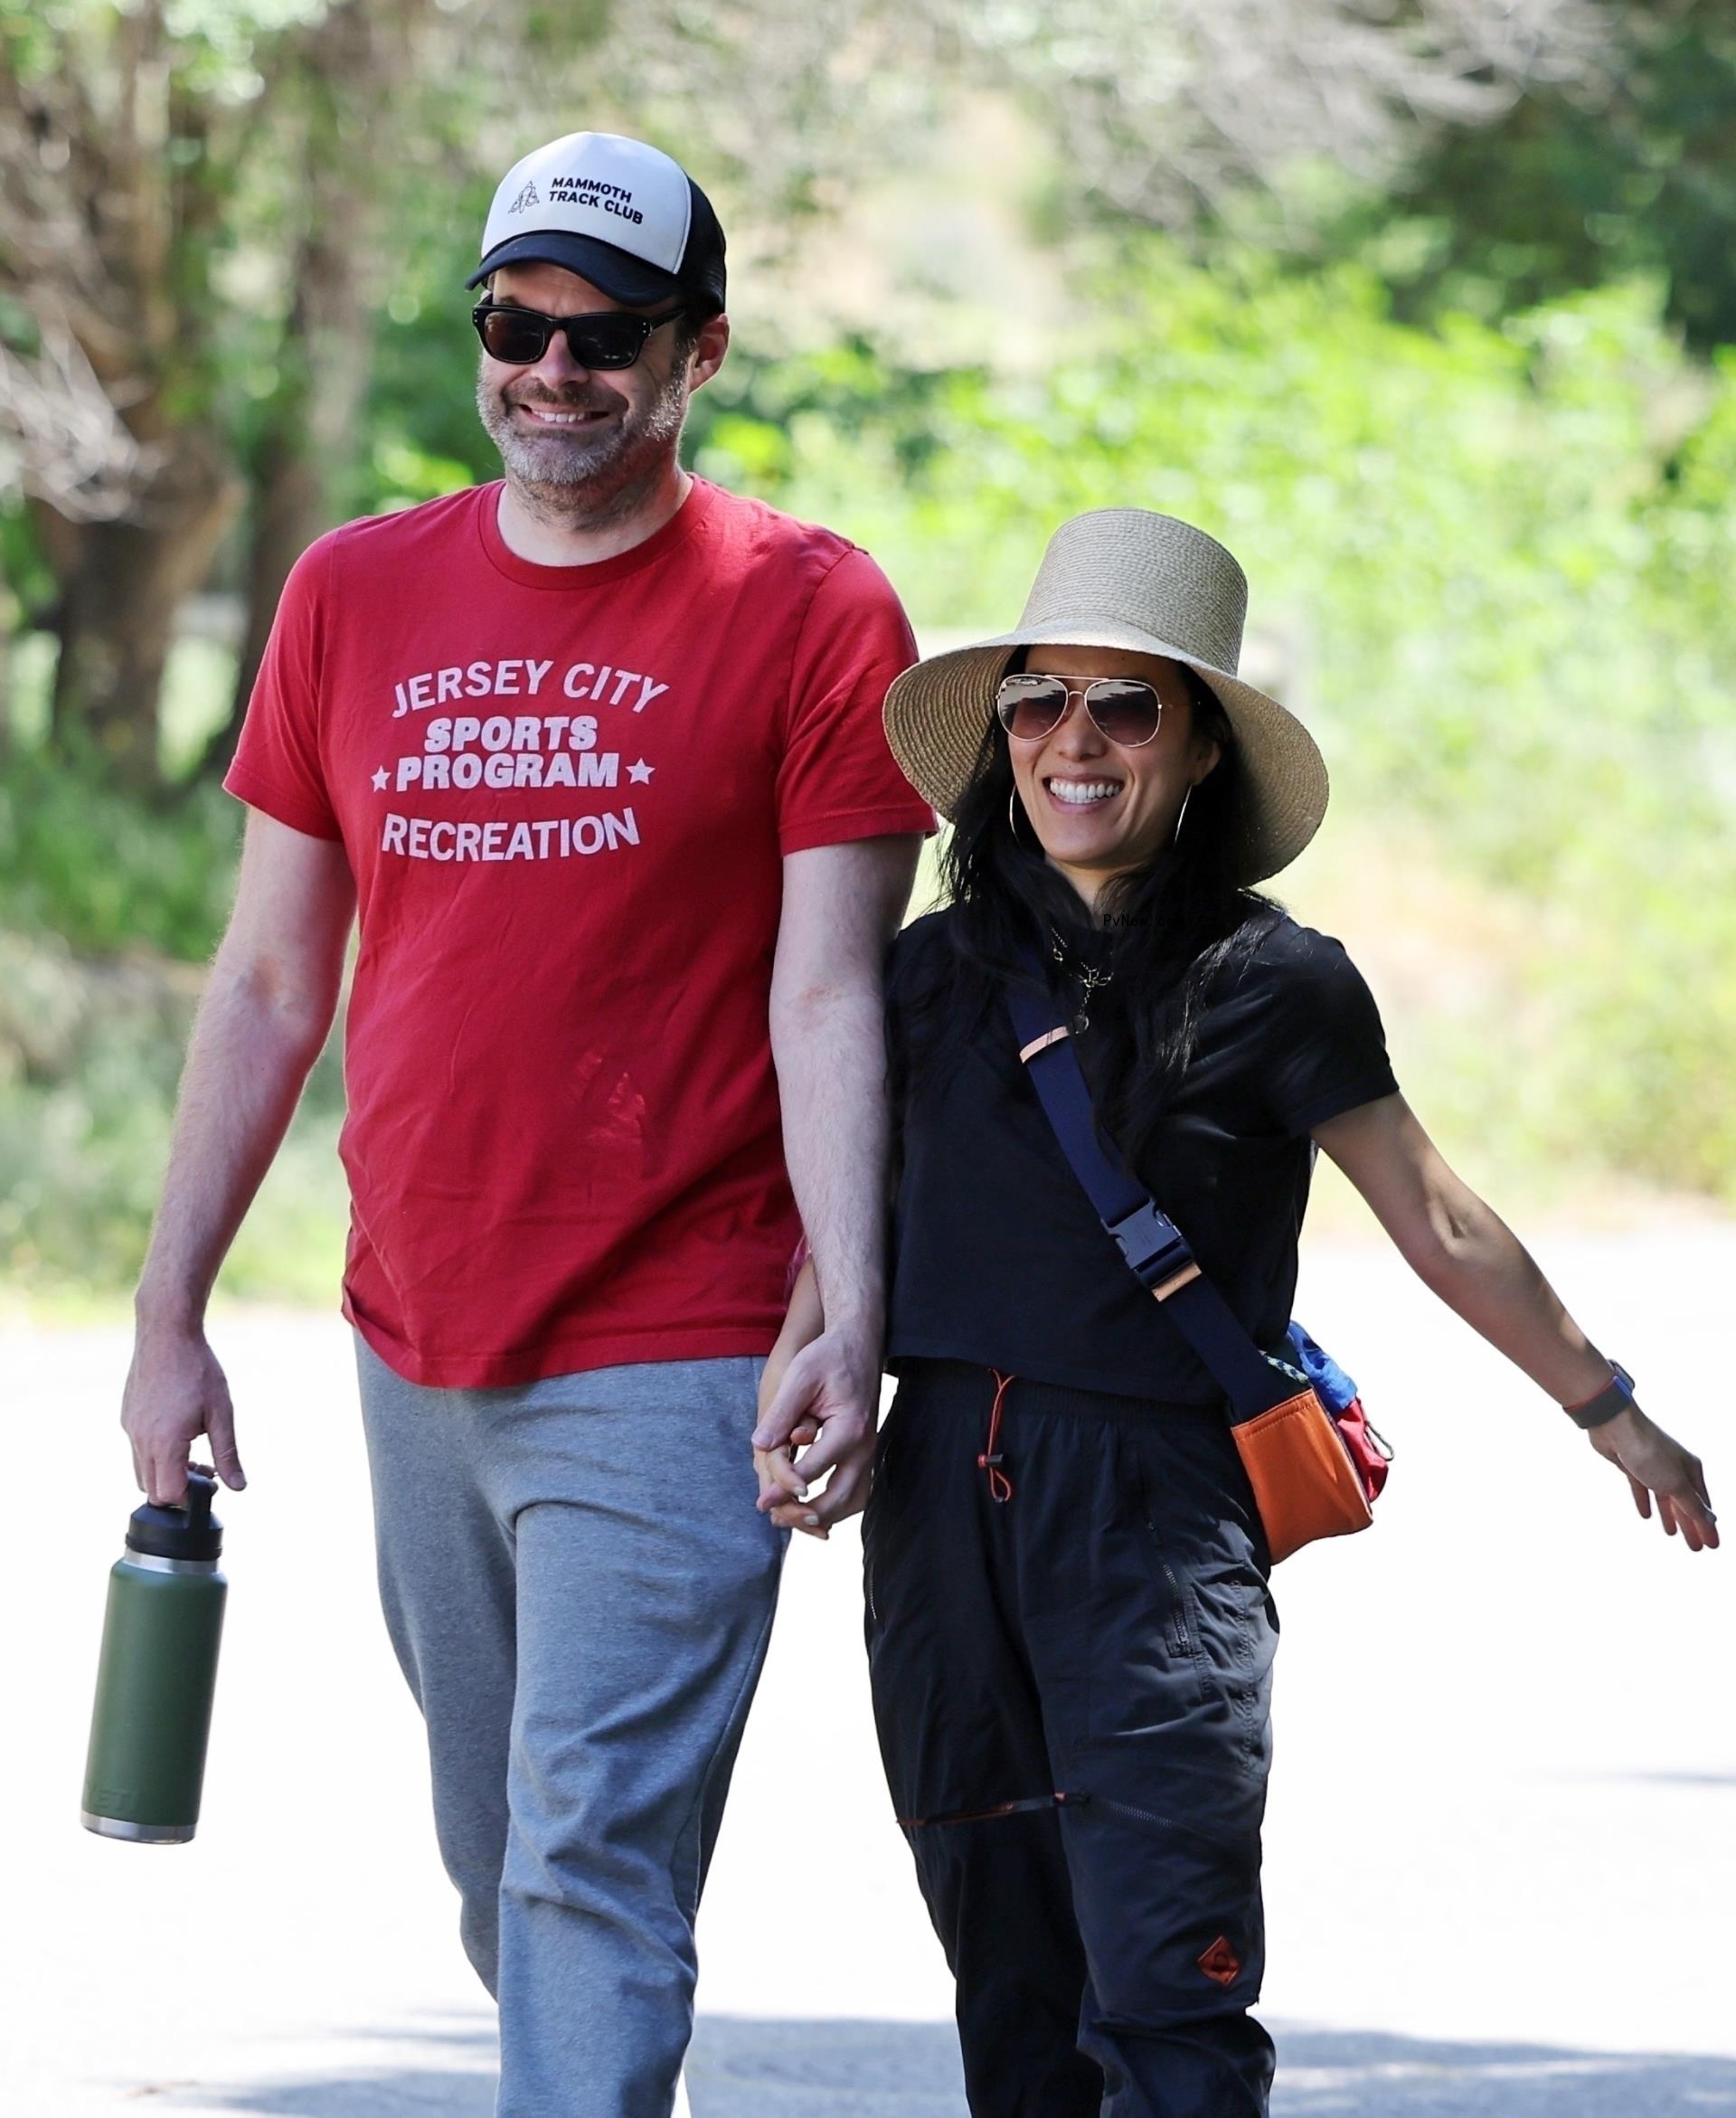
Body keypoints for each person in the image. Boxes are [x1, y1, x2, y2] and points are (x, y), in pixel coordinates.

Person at [120, 128, 930, 2116]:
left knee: (587, 1861)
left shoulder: (812, 610)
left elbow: (832, 987)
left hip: (680, 1331)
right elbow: (266, 983)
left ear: (700, 350)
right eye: (518, 325)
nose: (554, 373)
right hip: (418, 1326)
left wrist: (851, 1302)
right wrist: (166, 1313)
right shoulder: (349, 595)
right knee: (509, 1869)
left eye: (606, 336)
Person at [751, 508, 1718, 2117]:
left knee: (1172, 1998)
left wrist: (1609, 1406)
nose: (1075, 741)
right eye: (1039, 700)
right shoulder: (934, 972)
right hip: (941, 1523)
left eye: (1125, 706)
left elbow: (1440, 1213)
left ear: (1200, 747)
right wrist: (816, 1372)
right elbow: (860, 1222)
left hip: (1156, 1518)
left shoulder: (1280, 980)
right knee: (1013, 1993)